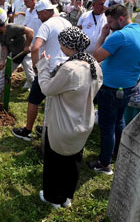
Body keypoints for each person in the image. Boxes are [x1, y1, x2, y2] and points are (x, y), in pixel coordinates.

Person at [37, 27, 103, 209]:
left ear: (68, 45)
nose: (59, 46)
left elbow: (47, 89)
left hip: (64, 123)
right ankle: (66, 197)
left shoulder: (69, 69)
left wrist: (42, 66)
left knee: (55, 162)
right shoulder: (94, 65)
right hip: (84, 121)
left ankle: (52, 198)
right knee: (73, 161)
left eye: (61, 43)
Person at [88, 4, 140, 175]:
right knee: (119, 121)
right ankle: (118, 151)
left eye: (110, 22)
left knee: (107, 125)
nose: (108, 25)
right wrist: (135, 81)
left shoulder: (120, 36)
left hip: (110, 87)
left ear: (121, 19)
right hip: (129, 86)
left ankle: (104, 163)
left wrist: (102, 35)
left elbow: (96, 56)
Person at [12, 0, 72, 141]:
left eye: (39, 14)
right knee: (56, 101)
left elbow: (35, 47)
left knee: (34, 99)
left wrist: (36, 66)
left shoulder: (47, 25)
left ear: (45, 12)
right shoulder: (67, 23)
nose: (38, 17)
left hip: (49, 68)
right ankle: (48, 128)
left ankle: (27, 131)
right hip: (65, 69)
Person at [0, 18, 33, 96]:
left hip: (25, 53)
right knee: (5, 72)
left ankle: (36, 92)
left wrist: (27, 46)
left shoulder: (13, 28)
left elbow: (30, 31)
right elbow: (4, 49)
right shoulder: (1, 36)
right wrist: (2, 61)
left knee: (30, 75)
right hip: (15, 55)